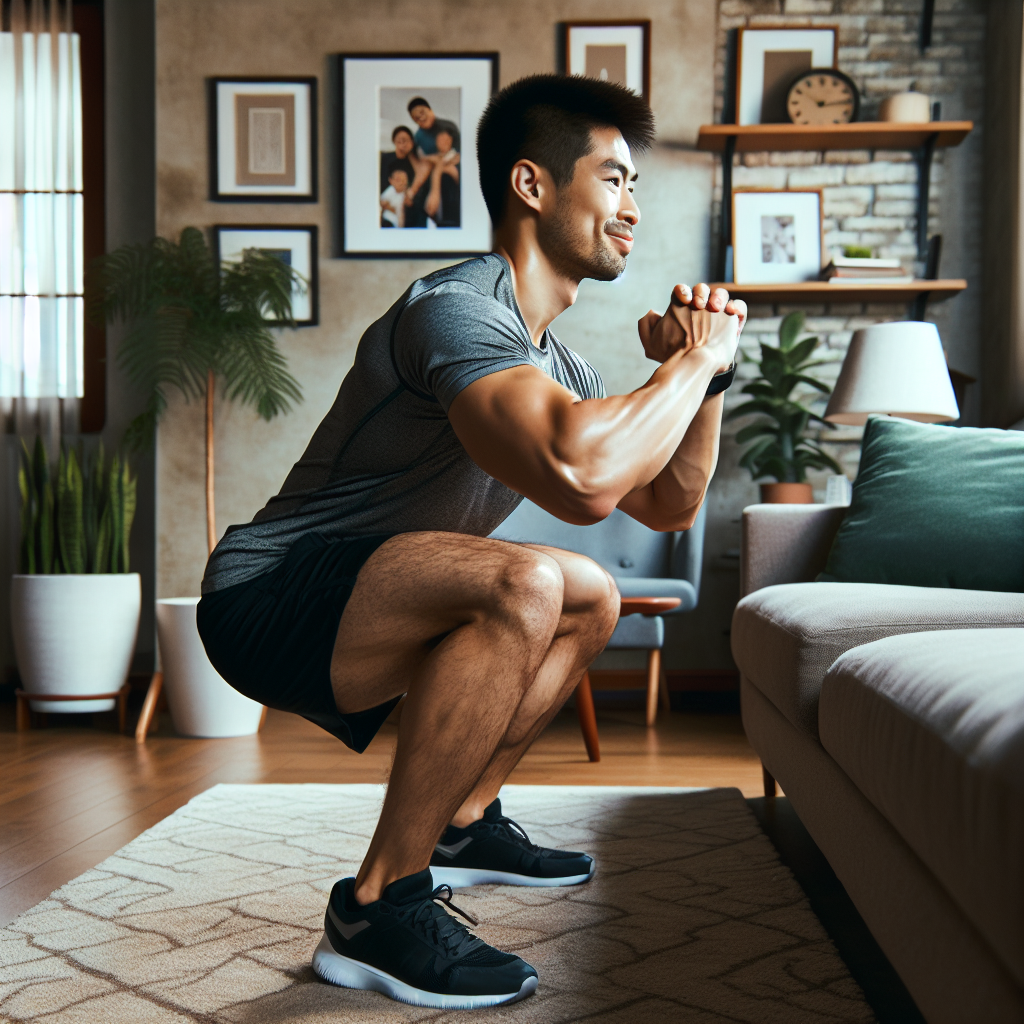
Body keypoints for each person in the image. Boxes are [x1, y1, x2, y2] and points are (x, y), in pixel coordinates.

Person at [197, 73, 746, 1011]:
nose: (632, 209)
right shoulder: (459, 310)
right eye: (613, 180)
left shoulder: (553, 356)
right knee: (527, 579)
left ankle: (462, 822)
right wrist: (692, 361)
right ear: (532, 186)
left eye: (635, 186)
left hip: (365, 595)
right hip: (270, 593)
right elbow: (579, 477)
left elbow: (666, 504)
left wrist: (702, 380)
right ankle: (377, 908)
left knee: (589, 593)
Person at [424, 127, 460, 227]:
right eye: (439, 139)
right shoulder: (433, 158)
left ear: (451, 141)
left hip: (453, 212)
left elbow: (456, 175)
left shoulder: (458, 158)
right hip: (435, 214)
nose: (443, 142)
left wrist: (440, 168)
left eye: (446, 139)